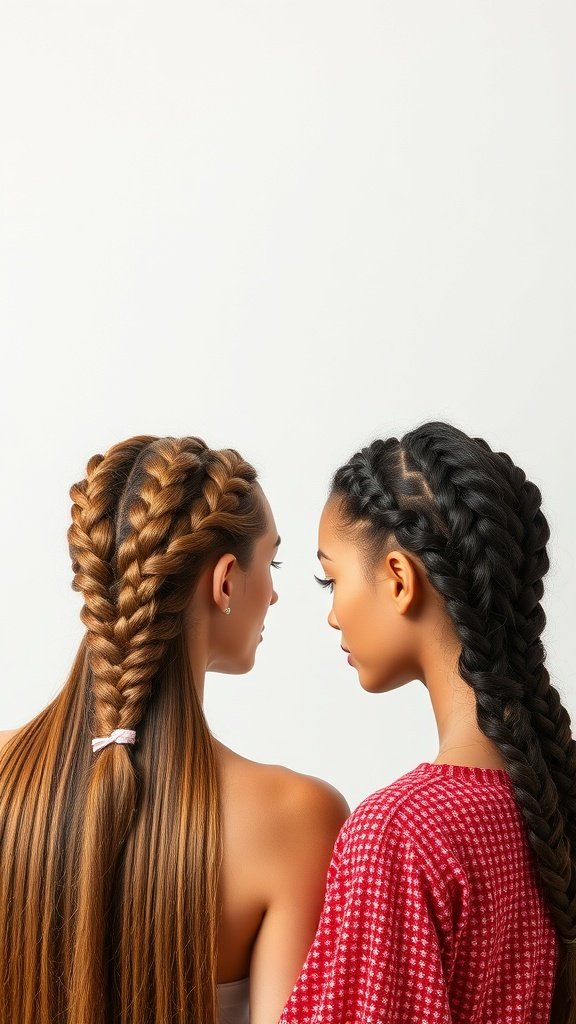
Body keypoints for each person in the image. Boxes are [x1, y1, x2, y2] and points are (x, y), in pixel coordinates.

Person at [0, 434, 349, 1024]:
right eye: (274, 562)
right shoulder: (296, 818)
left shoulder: (6, 777)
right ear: (226, 581)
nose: (276, 592)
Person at [280, 420, 573, 1024]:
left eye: (329, 579)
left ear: (397, 578)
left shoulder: (402, 834)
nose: (333, 616)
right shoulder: (554, 798)